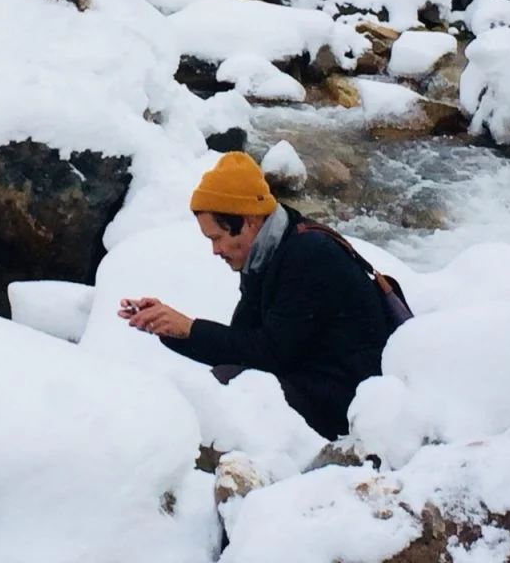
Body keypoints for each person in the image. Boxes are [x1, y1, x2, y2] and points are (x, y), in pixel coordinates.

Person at [118, 151, 390, 441]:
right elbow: (241, 343)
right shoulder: (267, 254)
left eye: (217, 238)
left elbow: (269, 353)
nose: (215, 250)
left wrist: (190, 328)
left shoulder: (309, 256)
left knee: (232, 389)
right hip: (309, 379)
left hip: (347, 402)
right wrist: (171, 328)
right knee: (229, 382)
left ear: (249, 222)